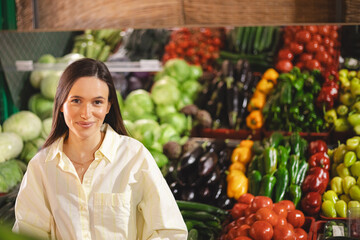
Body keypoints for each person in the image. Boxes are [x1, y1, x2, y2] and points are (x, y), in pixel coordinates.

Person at [13, 58, 187, 240]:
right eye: (76, 101)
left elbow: (169, 232)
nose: (86, 113)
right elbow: (29, 233)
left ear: (108, 106)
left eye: (97, 102)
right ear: (61, 104)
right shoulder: (41, 167)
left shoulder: (133, 156)